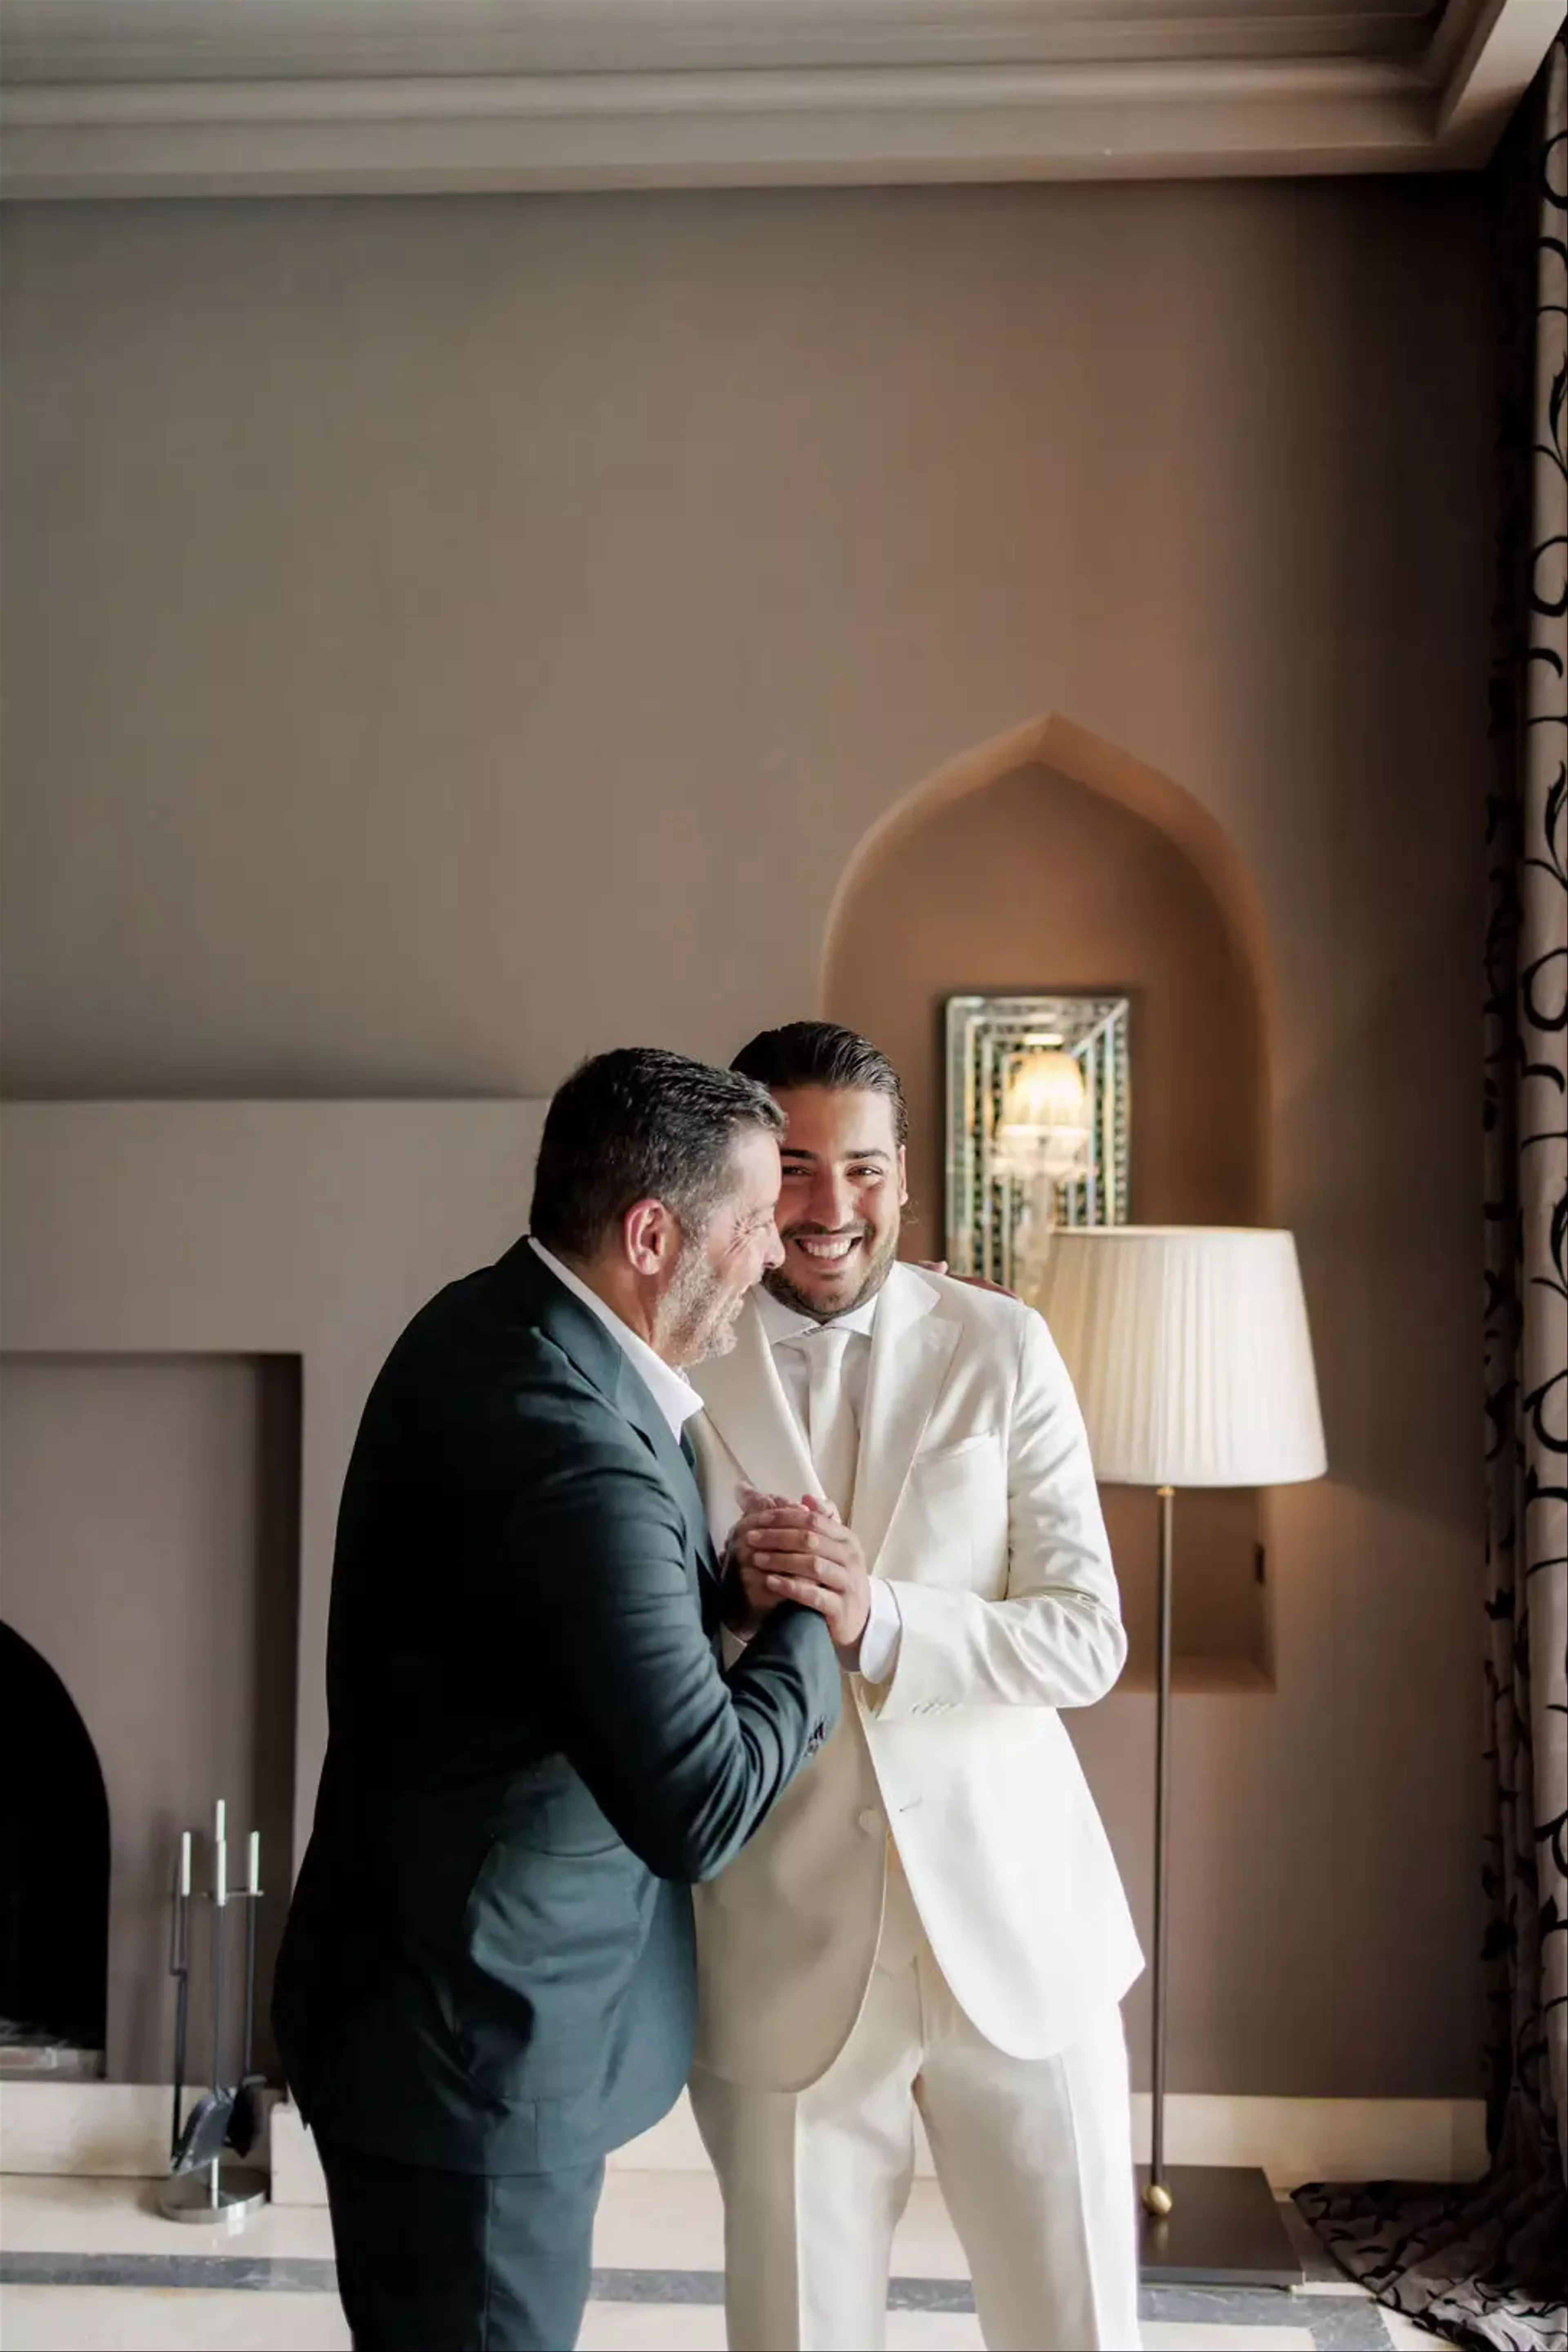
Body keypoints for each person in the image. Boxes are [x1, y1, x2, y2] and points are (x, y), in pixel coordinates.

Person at [273, 1047, 842, 2352]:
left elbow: (538, 1630)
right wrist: (820, 1618)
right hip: (481, 2052)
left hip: (412, 2000)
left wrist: (721, 1600)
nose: (770, 1256)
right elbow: (698, 1807)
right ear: (652, 1234)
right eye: (754, 1222)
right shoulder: (577, 1446)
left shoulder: (480, 1323)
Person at [687, 1021, 1143, 2352]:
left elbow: (1083, 1637)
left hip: (1022, 1938)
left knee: (1081, 2331)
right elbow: (638, 1649)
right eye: (799, 1168)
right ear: (744, 1173)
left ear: (907, 1178)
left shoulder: (1005, 1349)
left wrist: (881, 1616)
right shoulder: (670, 1374)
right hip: (784, 1958)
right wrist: (736, 1603)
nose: (834, 1209)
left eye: (868, 1170)